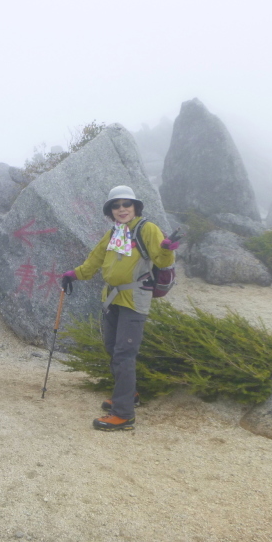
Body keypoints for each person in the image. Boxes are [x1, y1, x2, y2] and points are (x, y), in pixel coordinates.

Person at [61, 185, 179, 432]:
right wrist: (75, 274)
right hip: (112, 298)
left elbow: (160, 258)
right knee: (112, 348)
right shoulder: (115, 232)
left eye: (127, 204)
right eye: (116, 205)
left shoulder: (146, 229)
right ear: (110, 210)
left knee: (124, 353)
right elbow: (96, 258)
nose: (122, 209)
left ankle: (124, 414)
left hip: (134, 298)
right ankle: (128, 394)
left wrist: (167, 250)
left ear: (135, 207)